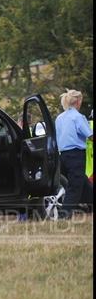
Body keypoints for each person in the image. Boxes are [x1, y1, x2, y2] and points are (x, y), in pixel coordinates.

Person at [54, 89, 93, 218]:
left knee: (84, 184)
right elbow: (90, 135)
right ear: (78, 101)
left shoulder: (59, 118)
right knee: (74, 187)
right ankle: (64, 215)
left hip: (63, 155)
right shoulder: (78, 117)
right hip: (76, 155)